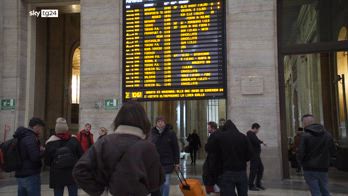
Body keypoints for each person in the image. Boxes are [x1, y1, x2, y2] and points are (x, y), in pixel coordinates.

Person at [73, 102, 164, 196]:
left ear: (118, 119)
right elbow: (157, 181)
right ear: (143, 120)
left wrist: (101, 192)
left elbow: (80, 171)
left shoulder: (104, 142)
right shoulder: (148, 147)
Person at [208, 120, 254, 196]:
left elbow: (210, 149)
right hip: (241, 171)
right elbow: (250, 154)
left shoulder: (221, 137)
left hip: (227, 171)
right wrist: (242, 159)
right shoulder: (243, 137)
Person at [297, 114, 336, 196]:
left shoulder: (305, 135)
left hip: (309, 168)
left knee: (315, 191)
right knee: (325, 190)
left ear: (305, 122)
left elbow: (301, 152)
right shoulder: (327, 134)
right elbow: (333, 151)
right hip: (323, 168)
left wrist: (300, 163)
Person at [44, 117, 83, 196]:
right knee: (73, 193)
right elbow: (81, 156)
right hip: (72, 173)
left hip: (57, 174)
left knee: (58, 193)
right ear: (66, 128)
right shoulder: (74, 140)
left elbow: (47, 162)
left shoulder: (50, 142)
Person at [14, 117, 45, 196]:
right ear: (36, 127)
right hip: (30, 175)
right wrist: (44, 151)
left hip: (20, 173)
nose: (41, 131)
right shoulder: (30, 138)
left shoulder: (21, 136)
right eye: (41, 128)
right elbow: (35, 157)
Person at [151, 117, 180, 196]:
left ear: (165, 123)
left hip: (167, 162)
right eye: (158, 121)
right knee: (157, 184)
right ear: (156, 123)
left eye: (162, 121)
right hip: (155, 163)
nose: (160, 123)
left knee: (166, 183)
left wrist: (177, 162)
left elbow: (176, 148)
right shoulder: (151, 133)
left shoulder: (171, 133)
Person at [247, 123, 266, 191]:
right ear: (255, 128)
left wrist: (262, 142)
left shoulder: (253, 135)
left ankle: (258, 183)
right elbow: (255, 141)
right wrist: (260, 142)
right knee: (253, 170)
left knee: (261, 168)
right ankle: (251, 185)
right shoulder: (250, 134)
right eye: (258, 129)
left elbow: (257, 140)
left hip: (257, 155)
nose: (258, 131)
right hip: (254, 155)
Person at [203, 121, 220, 194]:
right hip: (214, 161)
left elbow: (207, 148)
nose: (208, 129)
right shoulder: (218, 135)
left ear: (213, 128)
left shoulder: (214, 136)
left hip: (213, 162)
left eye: (208, 127)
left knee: (211, 179)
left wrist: (206, 144)